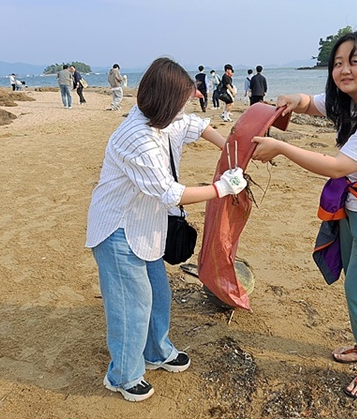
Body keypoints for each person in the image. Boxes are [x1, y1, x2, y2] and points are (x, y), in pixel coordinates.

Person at [252, 32, 357, 400]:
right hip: (355, 204)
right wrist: (292, 101)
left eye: (354, 61)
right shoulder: (352, 99)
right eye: (338, 63)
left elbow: (338, 166)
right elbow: (314, 104)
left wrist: (281, 147)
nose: (344, 70)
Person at [86, 57, 247, 402]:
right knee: (132, 305)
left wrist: (229, 149)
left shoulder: (165, 121)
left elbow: (197, 125)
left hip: (146, 228)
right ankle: (123, 375)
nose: (188, 104)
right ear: (165, 99)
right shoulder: (137, 138)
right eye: (184, 98)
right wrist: (222, 188)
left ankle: (156, 351)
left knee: (158, 294)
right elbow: (170, 193)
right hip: (118, 231)